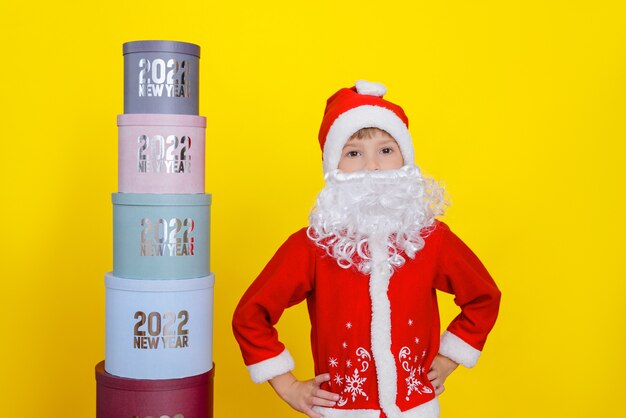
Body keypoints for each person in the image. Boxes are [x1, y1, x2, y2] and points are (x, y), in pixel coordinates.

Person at [232, 80, 501, 418]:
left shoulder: (431, 238)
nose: (372, 166)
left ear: (405, 158)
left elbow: (484, 296)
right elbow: (250, 315)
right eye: (354, 153)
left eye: (386, 150)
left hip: (415, 409)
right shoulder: (314, 245)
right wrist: (287, 385)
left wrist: (450, 357)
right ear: (334, 166)